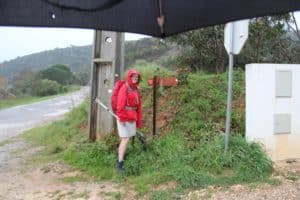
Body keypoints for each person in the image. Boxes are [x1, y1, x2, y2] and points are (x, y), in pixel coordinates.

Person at [116, 69, 142, 172]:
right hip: (124, 117)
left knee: (126, 139)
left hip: (132, 117)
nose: (135, 78)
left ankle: (120, 158)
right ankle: (120, 164)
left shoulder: (135, 89)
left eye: (137, 77)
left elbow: (138, 106)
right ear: (129, 77)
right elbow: (120, 104)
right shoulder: (125, 88)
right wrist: (122, 118)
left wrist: (138, 119)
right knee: (125, 139)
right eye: (133, 77)